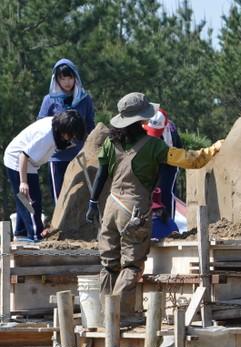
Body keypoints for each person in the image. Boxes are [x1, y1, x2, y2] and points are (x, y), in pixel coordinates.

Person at [85, 92, 222, 314]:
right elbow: (190, 159)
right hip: (133, 210)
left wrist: (92, 202)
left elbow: (101, 175)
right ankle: (118, 316)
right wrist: (213, 149)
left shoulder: (111, 142)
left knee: (109, 265)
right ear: (142, 119)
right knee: (131, 265)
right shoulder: (152, 145)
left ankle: (102, 318)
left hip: (110, 206)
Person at [3, 111, 85, 242]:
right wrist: (23, 182)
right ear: (63, 129)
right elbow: (23, 155)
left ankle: (21, 233)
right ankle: (35, 236)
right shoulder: (46, 136)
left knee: (26, 200)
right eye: (70, 135)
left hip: (30, 164)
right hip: (17, 161)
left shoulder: (57, 126)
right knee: (29, 201)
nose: (71, 138)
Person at [37, 59, 96, 203]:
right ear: (56, 79)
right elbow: (41, 125)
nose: (67, 82)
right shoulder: (49, 100)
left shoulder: (85, 99)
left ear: (75, 76)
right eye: (62, 78)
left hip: (80, 156)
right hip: (56, 156)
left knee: (81, 196)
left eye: (69, 77)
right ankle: (59, 226)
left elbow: (90, 125)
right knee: (60, 198)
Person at [143, 107, 182, 218]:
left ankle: (169, 221)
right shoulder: (142, 123)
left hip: (170, 163)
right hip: (149, 160)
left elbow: (177, 151)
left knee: (166, 192)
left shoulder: (170, 132)